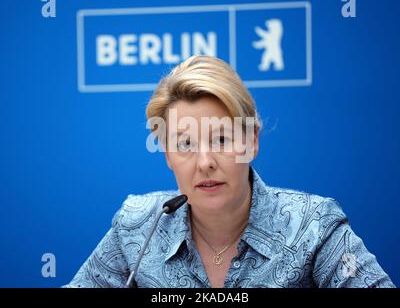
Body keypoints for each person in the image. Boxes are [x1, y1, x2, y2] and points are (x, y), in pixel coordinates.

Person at [65, 55, 395, 288]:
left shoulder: (314, 227)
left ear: (251, 141)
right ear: (167, 155)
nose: (205, 161)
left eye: (221, 139)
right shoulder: (138, 224)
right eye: (185, 144)